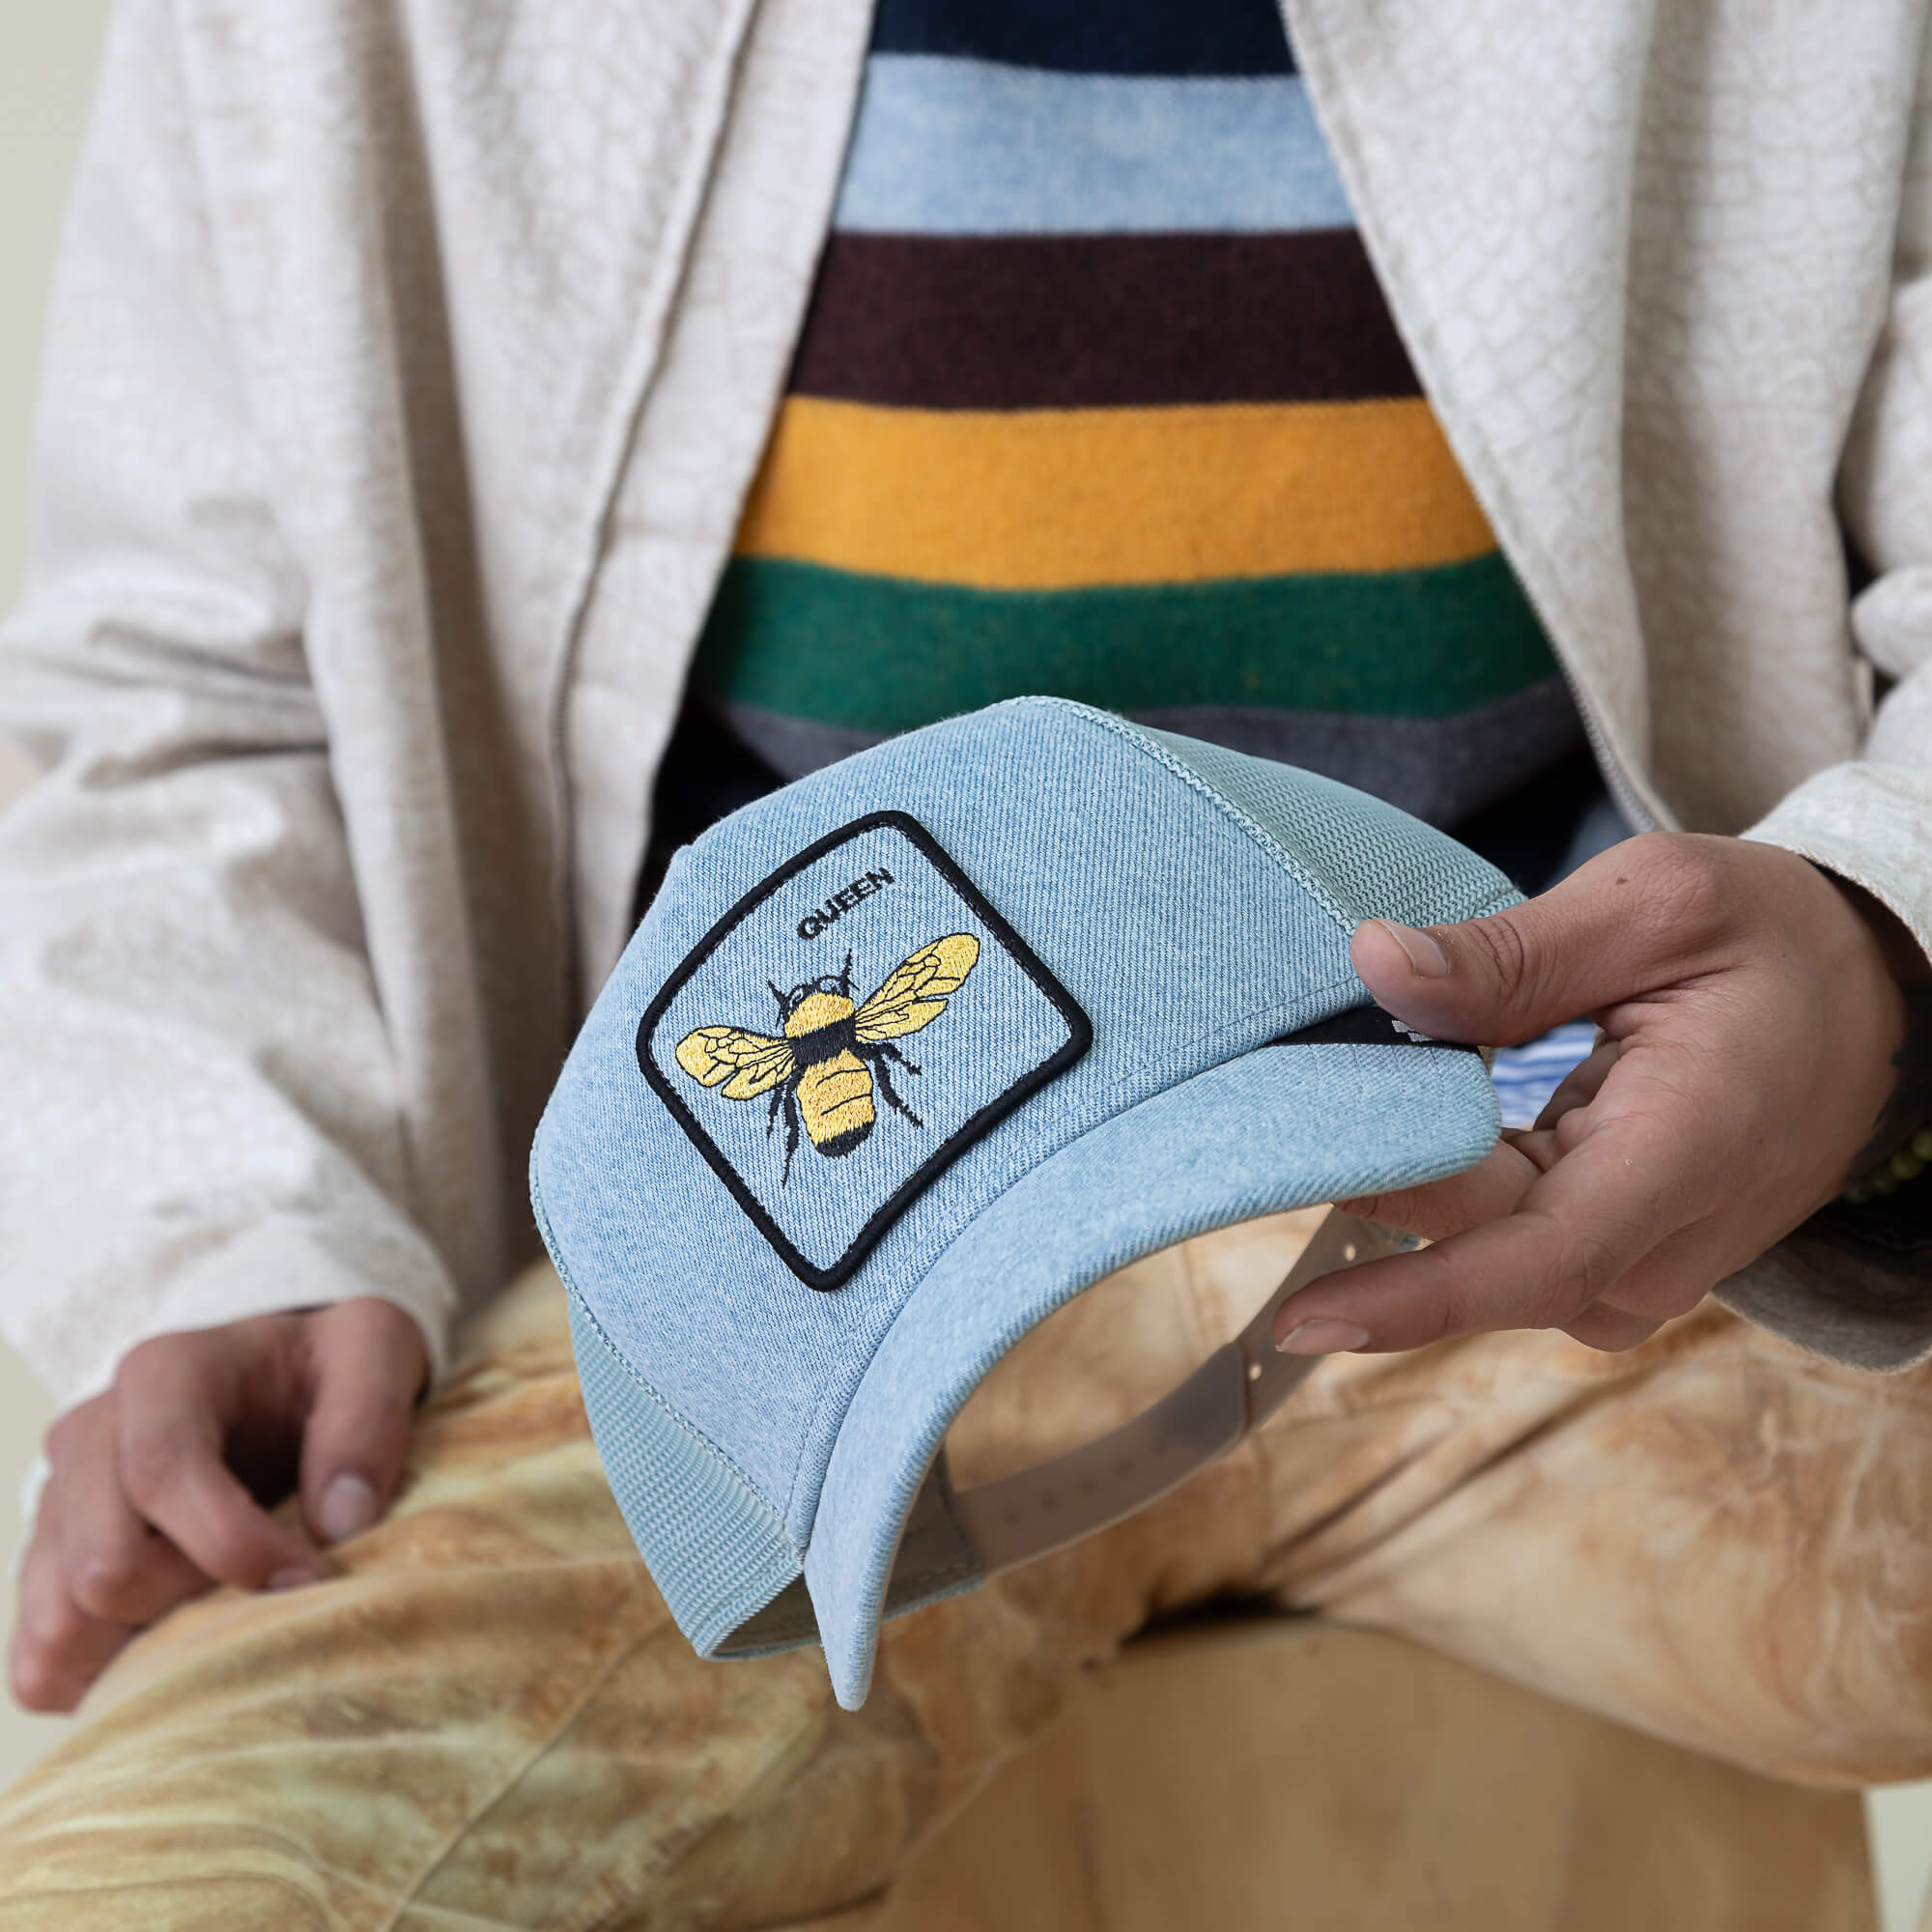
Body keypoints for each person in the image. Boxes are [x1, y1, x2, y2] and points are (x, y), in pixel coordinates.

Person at [0, 0, 1930, 1919]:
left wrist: (1878, 950)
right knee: (181, 1890)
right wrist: (233, 1225)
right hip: (764, 1307)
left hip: (1639, 1182)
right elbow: (179, 683)